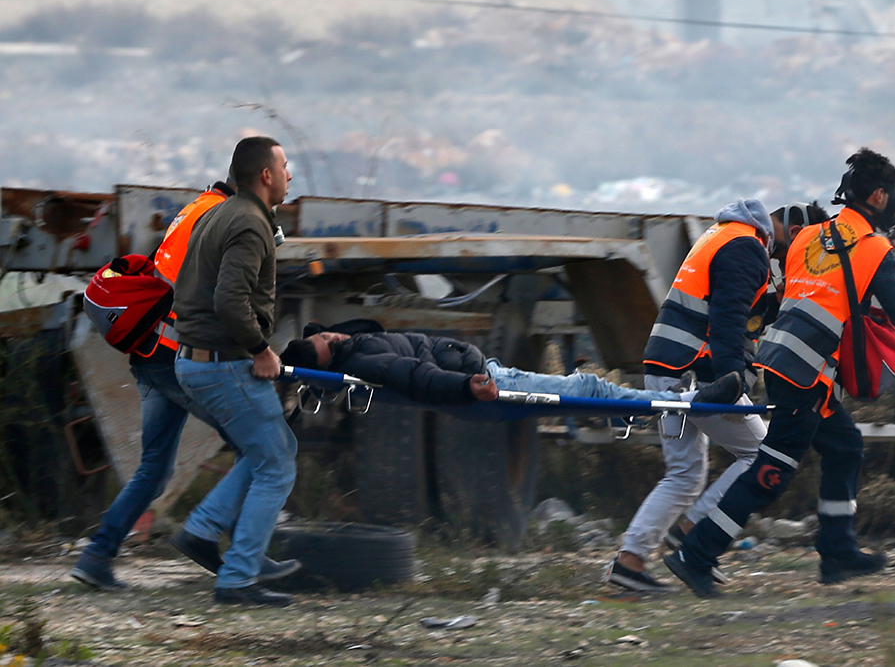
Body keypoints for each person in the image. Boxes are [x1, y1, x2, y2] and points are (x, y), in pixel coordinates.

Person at [666, 148, 895, 598]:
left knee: (845, 446)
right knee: (771, 471)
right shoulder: (875, 249)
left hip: (784, 361)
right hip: (805, 373)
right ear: (880, 197)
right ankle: (696, 554)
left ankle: (838, 549)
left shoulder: (810, 236)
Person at [70, 180, 301, 590]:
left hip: (151, 352)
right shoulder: (218, 217)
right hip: (171, 353)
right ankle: (228, 547)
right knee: (261, 446)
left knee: (155, 469)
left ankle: (97, 556)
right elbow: (192, 289)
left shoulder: (198, 208)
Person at [605, 198, 827, 593]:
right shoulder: (746, 248)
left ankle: (633, 561)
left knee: (686, 473)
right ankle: (688, 538)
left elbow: (732, 308)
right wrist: (734, 375)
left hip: (670, 366)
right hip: (694, 374)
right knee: (760, 454)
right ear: (794, 235)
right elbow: (728, 318)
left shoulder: (725, 234)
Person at [171, 136, 297, 607]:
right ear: (266, 175)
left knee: (263, 451)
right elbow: (229, 300)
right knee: (278, 464)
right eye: (285, 166)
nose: (289, 175)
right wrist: (261, 350)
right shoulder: (249, 223)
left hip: (193, 362)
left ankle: (203, 532)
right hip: (223, 364)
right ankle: (239, 577)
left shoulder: (219, 211)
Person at [278, 318, 735, 407]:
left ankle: (685, 397)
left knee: (592, 390)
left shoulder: (354, 344)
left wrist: (332, 338)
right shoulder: (365, 357)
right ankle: (686, 399)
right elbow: (416, 376)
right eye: (326, 340)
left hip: (483, 371)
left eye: (324, 331)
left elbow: (365, 324)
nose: (332, 335)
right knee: (591, 389)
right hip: (489, 378)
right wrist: (466, 387)